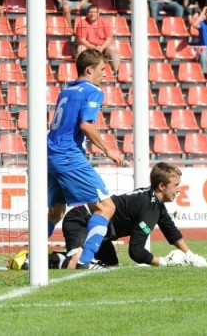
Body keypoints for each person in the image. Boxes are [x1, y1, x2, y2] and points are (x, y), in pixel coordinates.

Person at [44, 163, 207, 269]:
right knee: (79, 264)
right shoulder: (148, 206)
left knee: (110, 268)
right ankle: (33, 261)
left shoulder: (154, 203)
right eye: (176, 185)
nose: (179, 189)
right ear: (161, 186)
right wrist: (165, 262)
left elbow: (170, 230)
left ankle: (60, 257)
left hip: (102, 236)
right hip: (81, 221)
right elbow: (136, 252)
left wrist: (190, 255)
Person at [47, 50, 124, 270]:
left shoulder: (67, 89)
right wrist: (108, 150)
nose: (105, 75)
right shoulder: (93, 91)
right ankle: (85, 260)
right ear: (90, 69)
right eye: (102, 69)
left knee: (55, 211)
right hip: (68, 155)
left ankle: (31, 256)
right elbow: (86, 125)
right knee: (106, 207)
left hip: (50, 154)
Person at [73, 3, 120, 75]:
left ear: (98, 13)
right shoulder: (82, 23)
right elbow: (82, 40)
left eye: (94, 12)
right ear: (87, 13)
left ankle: (116, 73)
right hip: (88, 48)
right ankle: (80, 73)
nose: (92, 14)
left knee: (112, 48)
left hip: (103, 48)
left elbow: (109, 38)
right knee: (81, 48)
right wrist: (94, 47)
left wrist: (102, 47)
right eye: (90, 12)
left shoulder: (104, 22)